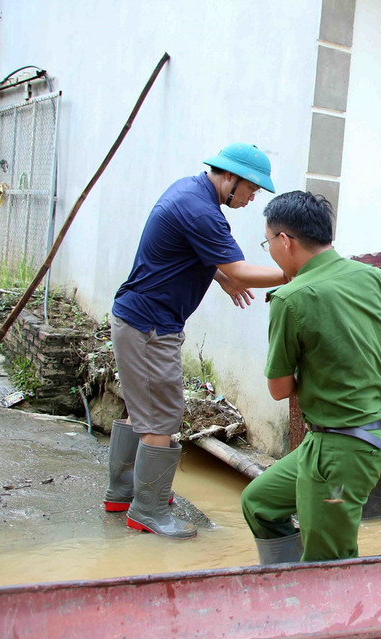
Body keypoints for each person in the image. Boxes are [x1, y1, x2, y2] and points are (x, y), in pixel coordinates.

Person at [241, 191, 381, 564]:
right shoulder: (372, 277)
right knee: (260, 502)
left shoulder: (290, 298)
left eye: (267, 243)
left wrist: (326, 368)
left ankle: (316, 592)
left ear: (285, 240)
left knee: (329, 560)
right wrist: (356, 360)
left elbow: (279, 389)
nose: (270, 251)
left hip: (342, 448)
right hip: (350, 439)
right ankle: (287, 583)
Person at [105, 143, 287, 539]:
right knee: (162, 416)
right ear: (230, 177)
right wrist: (296, 271)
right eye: (252, 188)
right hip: (151, 327)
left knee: (142, 411)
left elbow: (197, 256)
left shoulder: (189, 191)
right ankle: (148, 510)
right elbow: (239, 270)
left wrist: (220, 278)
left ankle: (123, 491)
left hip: (138, 319)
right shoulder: (203, 211)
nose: (252, 198)